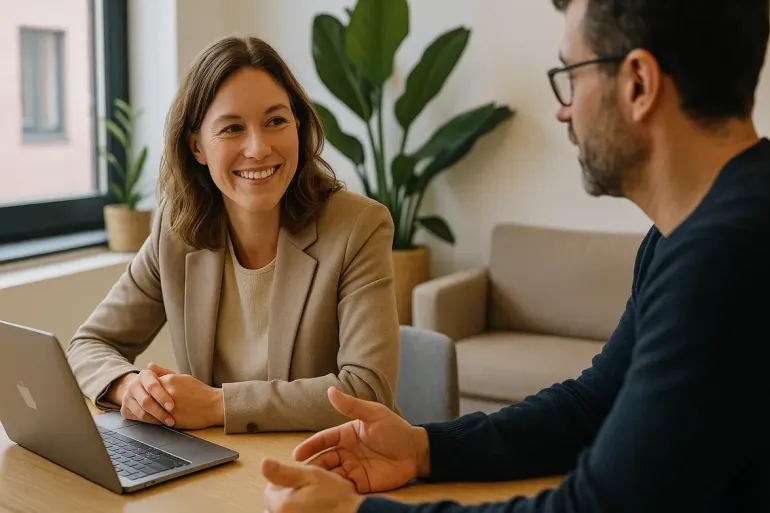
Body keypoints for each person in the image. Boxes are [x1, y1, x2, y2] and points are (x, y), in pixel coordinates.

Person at [259, 0, 770, 511]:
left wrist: (351, 510)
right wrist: (425, 448)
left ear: (638, 83)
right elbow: (594, 405)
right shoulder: (687, 234)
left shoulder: (724, 256)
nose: (562, 108)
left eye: (571, 74)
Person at [66, 36, 401, 434]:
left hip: (324, 466)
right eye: (232, 128)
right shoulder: (175, 229)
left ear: (298, 125)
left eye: (276, 121)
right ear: (197, 147)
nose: (258, 148)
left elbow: (366, 392)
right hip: (219, 468)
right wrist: (129, 387)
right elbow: (89, 344)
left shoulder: (358, 226)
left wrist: (217, 404)